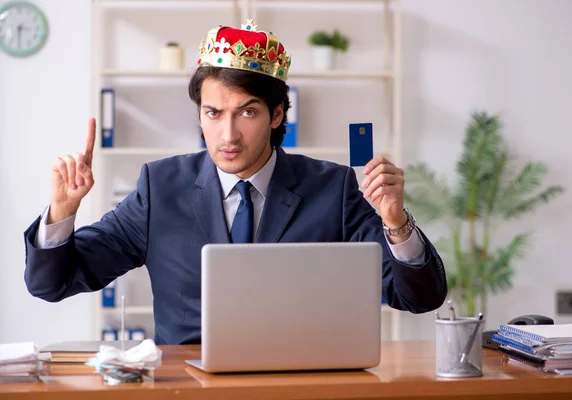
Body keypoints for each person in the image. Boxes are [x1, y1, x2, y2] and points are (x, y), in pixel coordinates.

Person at [23, 20, 447, 345]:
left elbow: (417, 297)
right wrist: (63, 211)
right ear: (200, 115)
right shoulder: (160, 186)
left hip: (302, 380)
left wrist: (396, 221)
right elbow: (52, 284)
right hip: (187, 383)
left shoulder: (331, 188)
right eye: (213, 113)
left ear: (278, 114)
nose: (228, 135)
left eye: (247, 112)